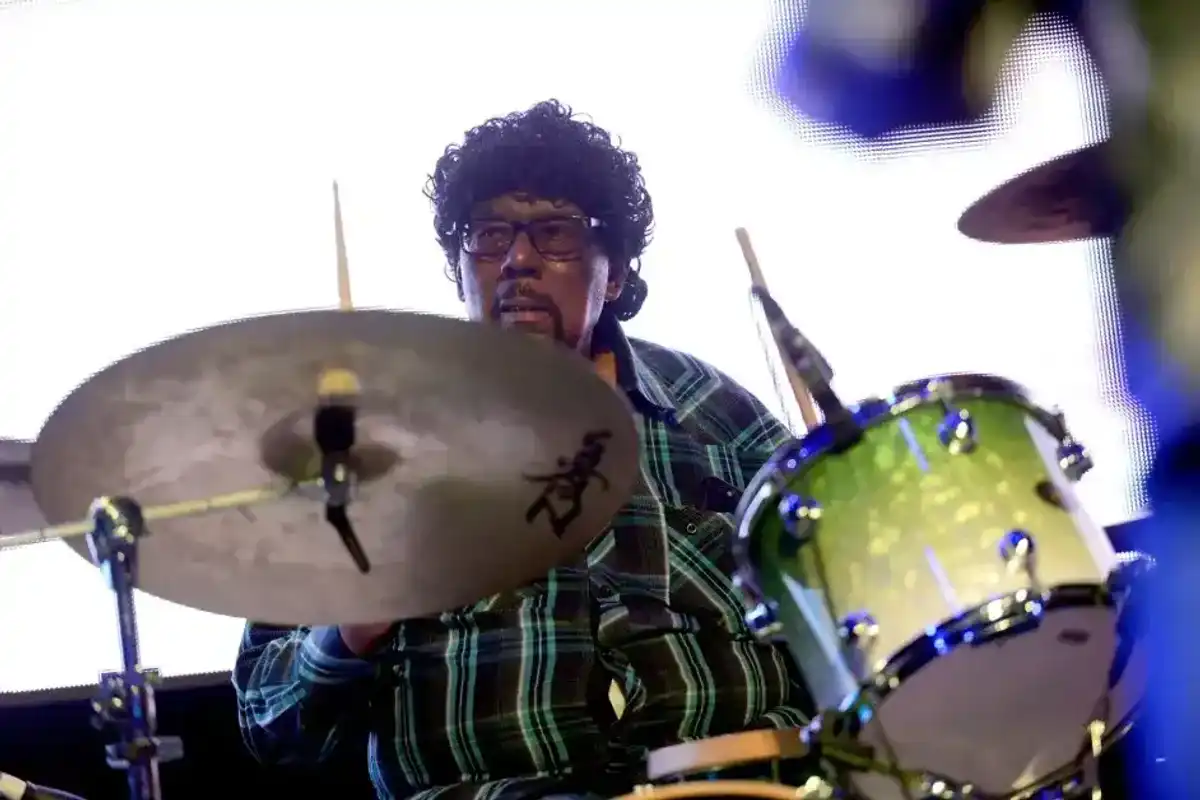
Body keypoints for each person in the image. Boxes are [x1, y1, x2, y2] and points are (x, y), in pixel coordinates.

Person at [233, 99, 815, 800]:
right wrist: (352, 624)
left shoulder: (712, 410)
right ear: (459, 270)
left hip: (744, 784)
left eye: (555, 235)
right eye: (488, 235)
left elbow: (845, 611)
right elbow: (270, 721)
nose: (516, 260)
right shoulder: (367, 447)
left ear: (618, 273)